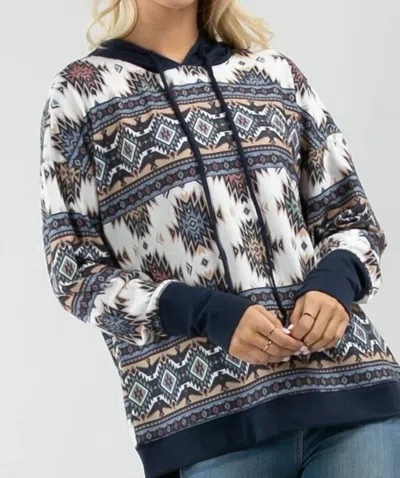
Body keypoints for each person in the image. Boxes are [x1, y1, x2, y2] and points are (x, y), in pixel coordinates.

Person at [39, 1, 400, 477]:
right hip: (208, 430)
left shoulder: (275, 75)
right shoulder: (81, 94)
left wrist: (336, 284)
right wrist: (206, 313)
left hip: (352, 396)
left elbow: (350, 216)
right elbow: (76, 272)